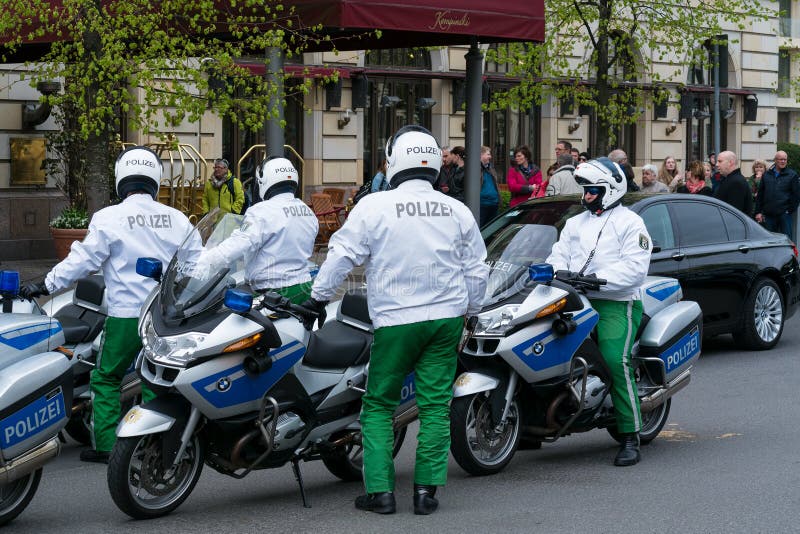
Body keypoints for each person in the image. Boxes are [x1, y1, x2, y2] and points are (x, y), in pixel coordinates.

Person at [301, 125, 488, 515]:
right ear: (434, 164)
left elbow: (341, 256)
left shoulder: (375, 205)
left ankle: (381, 493)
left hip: (397, 320)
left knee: (379, 406)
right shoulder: (456, 209)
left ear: (394, 163)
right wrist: (471, 310)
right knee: (435, 405)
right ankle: (425, 493)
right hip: (446, 318)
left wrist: (317, 299)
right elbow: (476, 269)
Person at [19, 147, 195, 463]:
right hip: (166, 317)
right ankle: (158, 446)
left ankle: (107, 447)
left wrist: (44, 284)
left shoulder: (109, 217)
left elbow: (82, 261)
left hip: (127, 317)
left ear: (120, 179)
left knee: (107, 378)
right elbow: (198, 267)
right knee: (157, 380)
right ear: (155, 178)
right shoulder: (177, 219)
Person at [546, 157, 651, 467]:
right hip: (573, 299)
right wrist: (558, 271)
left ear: (610, 189)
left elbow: (635, 268)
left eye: (592, 189)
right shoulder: (575, 222)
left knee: (615, 360)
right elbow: (557, 255)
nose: (587, 194)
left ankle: (630, 435)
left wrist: (599, 280)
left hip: (617, 303)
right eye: (585, 189)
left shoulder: (631, 223)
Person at [195, 157, 319, 304]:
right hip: (303, 288)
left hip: (272, 293)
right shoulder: (307, 211)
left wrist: (204, 261)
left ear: (264, 181)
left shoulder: (261, 211)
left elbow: (236, 244)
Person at [755, 150, 800, 240]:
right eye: (780, 159)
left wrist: (789, 210)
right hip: (769, 215)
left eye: (785, 159)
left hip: (784, 215)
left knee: (786, 241)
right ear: (775, 160)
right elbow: (761, 194)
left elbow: (796, 195)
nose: (783, 161)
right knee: (768, 241)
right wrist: (758, 212)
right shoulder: (767, 175)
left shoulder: (792, 175)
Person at [479, 145, 500, 226]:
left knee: (491, 229)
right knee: (481, 228)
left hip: (494, 203)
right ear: (481, 155)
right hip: (482, 204)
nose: (490, 157)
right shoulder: (475, 168)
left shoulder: (491, 168)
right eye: (488, 154)